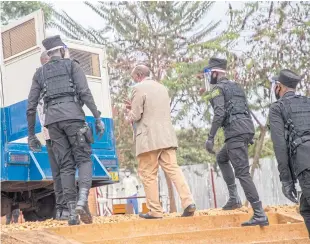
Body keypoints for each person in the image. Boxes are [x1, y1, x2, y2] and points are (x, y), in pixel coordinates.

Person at [26, 35, 105, 225]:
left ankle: (71, 213)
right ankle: (82, 199)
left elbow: (31, 106)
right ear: (62, 50)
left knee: (65, 166)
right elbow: (85, 93)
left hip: (53, 123)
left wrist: (30, 135)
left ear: (48, 53)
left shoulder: (39, 74)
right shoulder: (72, 66)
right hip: (74, 118)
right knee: (84, 159)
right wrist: (97, 116)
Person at [203, 57, 268, 227]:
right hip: (246, 129)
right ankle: (234, 198)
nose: (209, 77)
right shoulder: (237, 87)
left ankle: (259, 213)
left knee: (242, 173)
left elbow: (219, 114)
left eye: (210, 73)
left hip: (235, 132)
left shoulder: (217, 89)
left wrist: (210, 137)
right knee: (222, 158)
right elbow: (245, 108)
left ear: (216, 73)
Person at [126, 64, 196, 219]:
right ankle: (188, 202)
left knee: (148, 173)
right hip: (167, 137)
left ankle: (156, 211)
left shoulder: (138, 88)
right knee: (173, 169)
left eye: (133, 78)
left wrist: (128, 113)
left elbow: (136, 115)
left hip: (148, 139)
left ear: (138, 75)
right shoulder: (162, 88)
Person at [269, 69, 310, 237]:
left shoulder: (277, 108)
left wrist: (286, 180)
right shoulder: (308, 102)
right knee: (306, 208)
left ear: (279, 87)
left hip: (306, 165)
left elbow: (280, 147)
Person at [37, 51, 68, 221]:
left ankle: (65, 209)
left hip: (52, 132)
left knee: (60, 171)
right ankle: (68, 208)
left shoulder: (40, 80)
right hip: (56, 132)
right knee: (63, 170)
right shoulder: (47, 80)